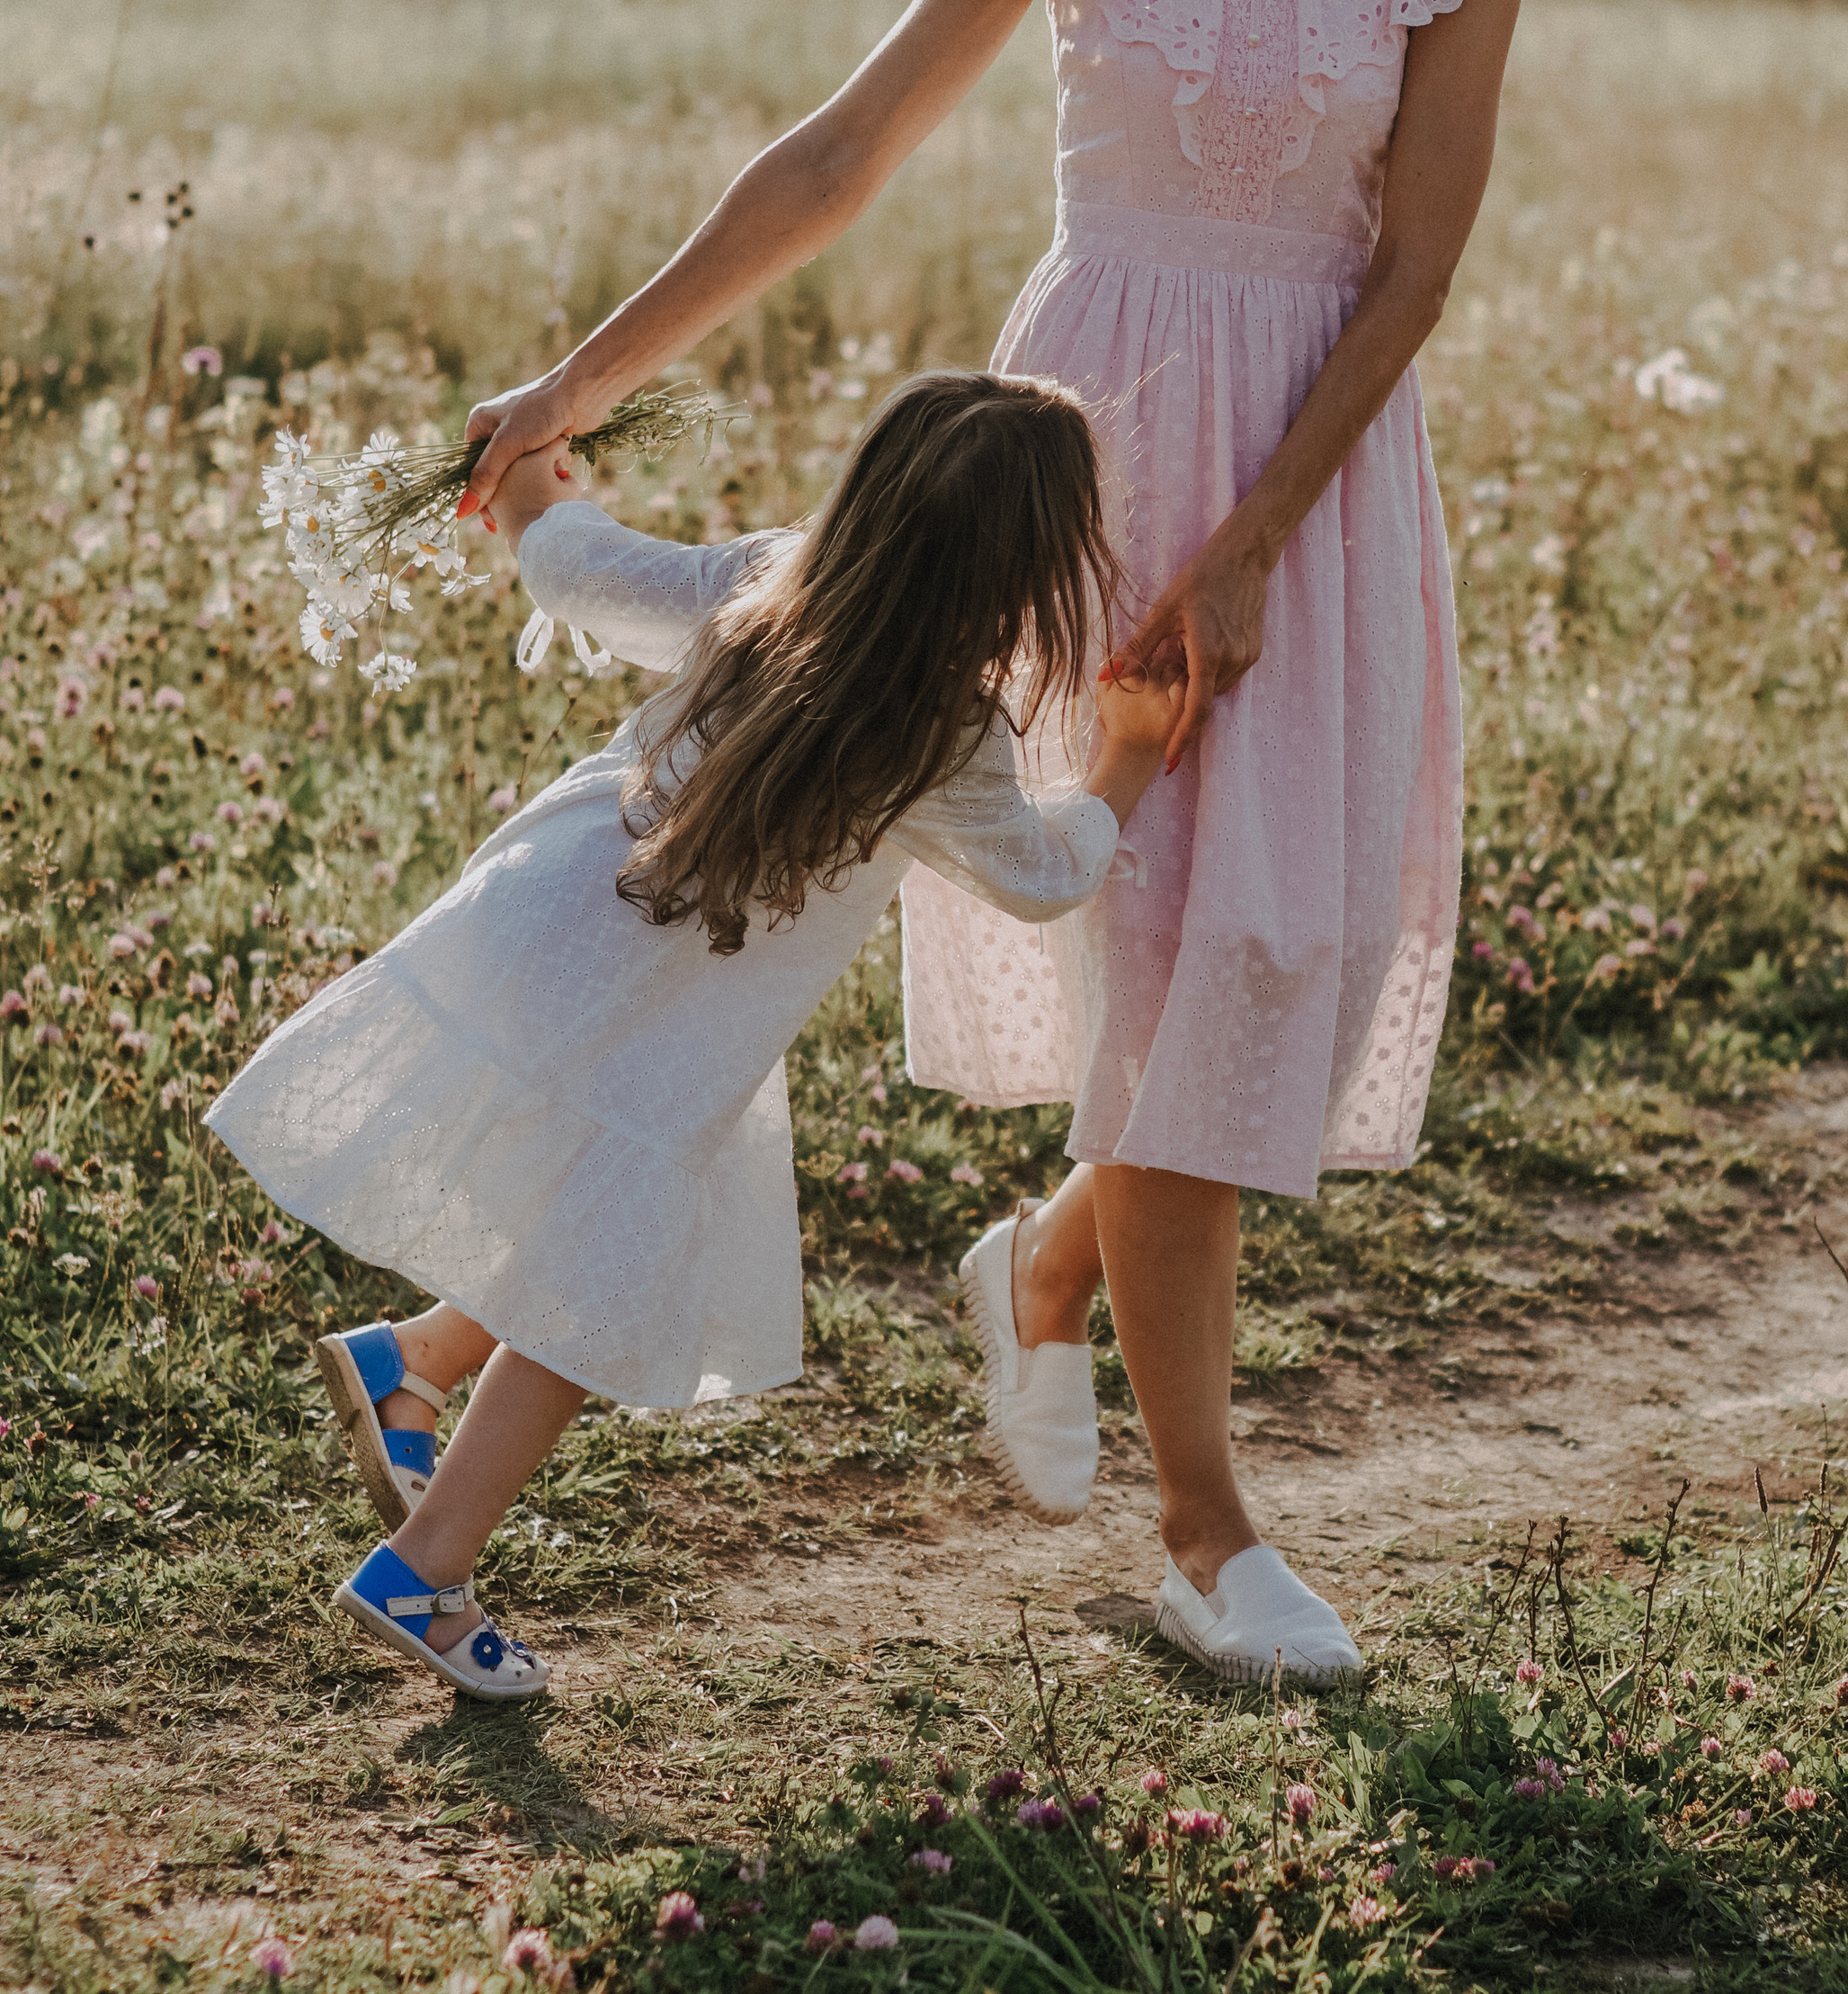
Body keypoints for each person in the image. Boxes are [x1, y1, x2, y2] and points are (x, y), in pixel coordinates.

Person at [460, 0, 1539, 1692]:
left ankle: (1049, 1268)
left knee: (1268, 952)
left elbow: (1415, 270)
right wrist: (573, 384)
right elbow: (838, 156)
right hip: (1073, 470)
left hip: (1314, 477)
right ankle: (1206, 1533)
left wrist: (1254, 543)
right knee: (1149, 955)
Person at [207, 372, 1180, 1696]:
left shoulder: (763, 582)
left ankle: (415, 1362)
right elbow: (1046, 875)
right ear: (1030, 573)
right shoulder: (949, 732)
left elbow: (582, 572)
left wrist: (532, 484)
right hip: (662, 1017)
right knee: (593, 1289)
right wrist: (1130, 753)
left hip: (545, 916)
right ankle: (423, 1570)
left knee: (577, 1217)